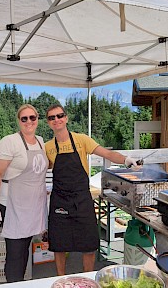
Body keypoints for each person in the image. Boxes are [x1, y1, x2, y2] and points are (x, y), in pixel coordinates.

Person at [45, 104, 139, 276]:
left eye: (59, 116)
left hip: (82, 197)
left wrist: (127, 160)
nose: (56, 120)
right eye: (52, 117)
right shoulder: (47, 147)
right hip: (60, 199)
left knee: (88, 243)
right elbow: (41, 168)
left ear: (66, 118)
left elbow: (108, 154)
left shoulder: (81, 140)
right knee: (59, 243)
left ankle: (88, 277)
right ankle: (61, 279)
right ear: (48, 122)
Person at [0, 104, 49, 283]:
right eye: (24, 118)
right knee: (15, 253)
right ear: (19, 121)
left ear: (37, 120)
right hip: (12, 204)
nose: (29, 122)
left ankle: (19, 283)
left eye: (32, 118)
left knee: (24, 250)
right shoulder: (10, 141)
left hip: (33, 204)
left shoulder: (40, 140)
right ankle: (13, 284)